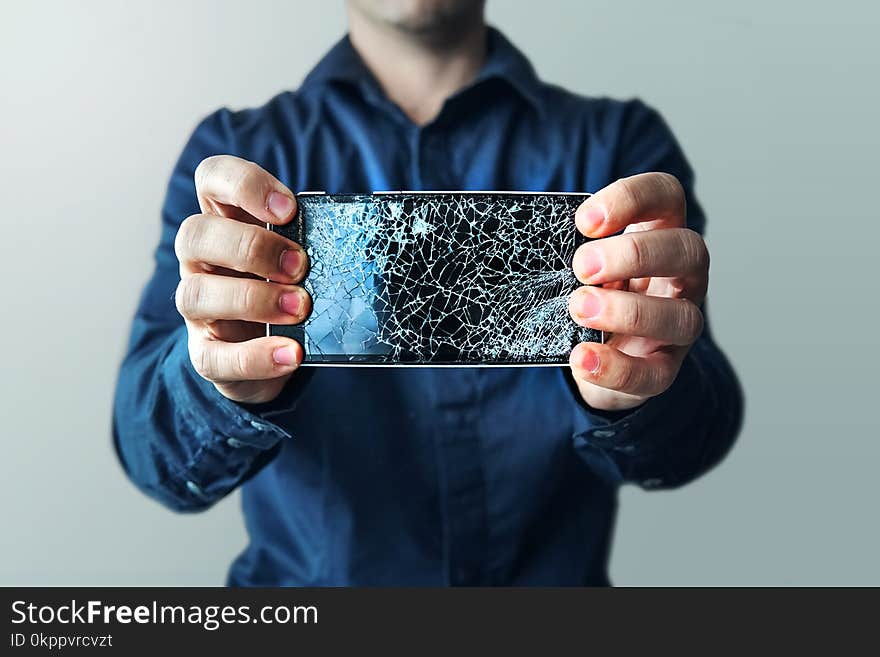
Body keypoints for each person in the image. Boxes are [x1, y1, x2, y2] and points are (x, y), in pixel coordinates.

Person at [114, 0, 743, 586]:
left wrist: (636, 395)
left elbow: (694, 438)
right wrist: (220, 383)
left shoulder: (621, 149)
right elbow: (155, 459)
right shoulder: (236, 162)